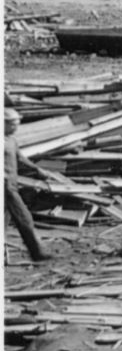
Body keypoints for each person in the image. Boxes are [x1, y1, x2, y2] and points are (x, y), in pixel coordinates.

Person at [5, 107, 49, 261]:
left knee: (4, 223)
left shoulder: (11, 140)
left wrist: (37, 169)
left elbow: (20, 159)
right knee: (24, 218)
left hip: (11, 185)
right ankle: (38, 253)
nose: (16, 127)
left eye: (17, 124)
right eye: (13, 124)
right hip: (5, 187)